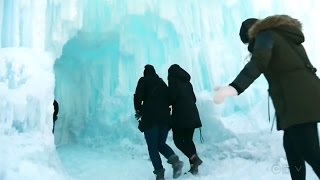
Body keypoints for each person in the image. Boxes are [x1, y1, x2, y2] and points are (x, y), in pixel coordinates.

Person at [213, 15, 320, 180]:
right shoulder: (283, 36)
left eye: (248, 43)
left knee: (311, 153)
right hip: (301, 98)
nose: (250, 47)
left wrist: (234, 87)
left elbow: (258, 63)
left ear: (251, 35)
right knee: (292, 149)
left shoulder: (265, 35)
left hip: (297, 101)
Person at [134, 64, 183, 180]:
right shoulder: (162, 83)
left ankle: (159, 174)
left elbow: (138, 97)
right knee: (160, 144)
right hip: (165, 119)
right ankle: (175, 161)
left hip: (150, 119)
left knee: (152, 147)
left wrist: (138, 110)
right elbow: (170, 99)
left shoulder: (143, 80)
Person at [167, 64, 203, 175]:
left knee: (178, 140)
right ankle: (194, 167)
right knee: (188, 140)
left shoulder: (173, 82)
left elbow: (171, 98)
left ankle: (194, 158)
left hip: (181, 116)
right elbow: (194, 99)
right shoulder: (188, 83)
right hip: (193, 115)